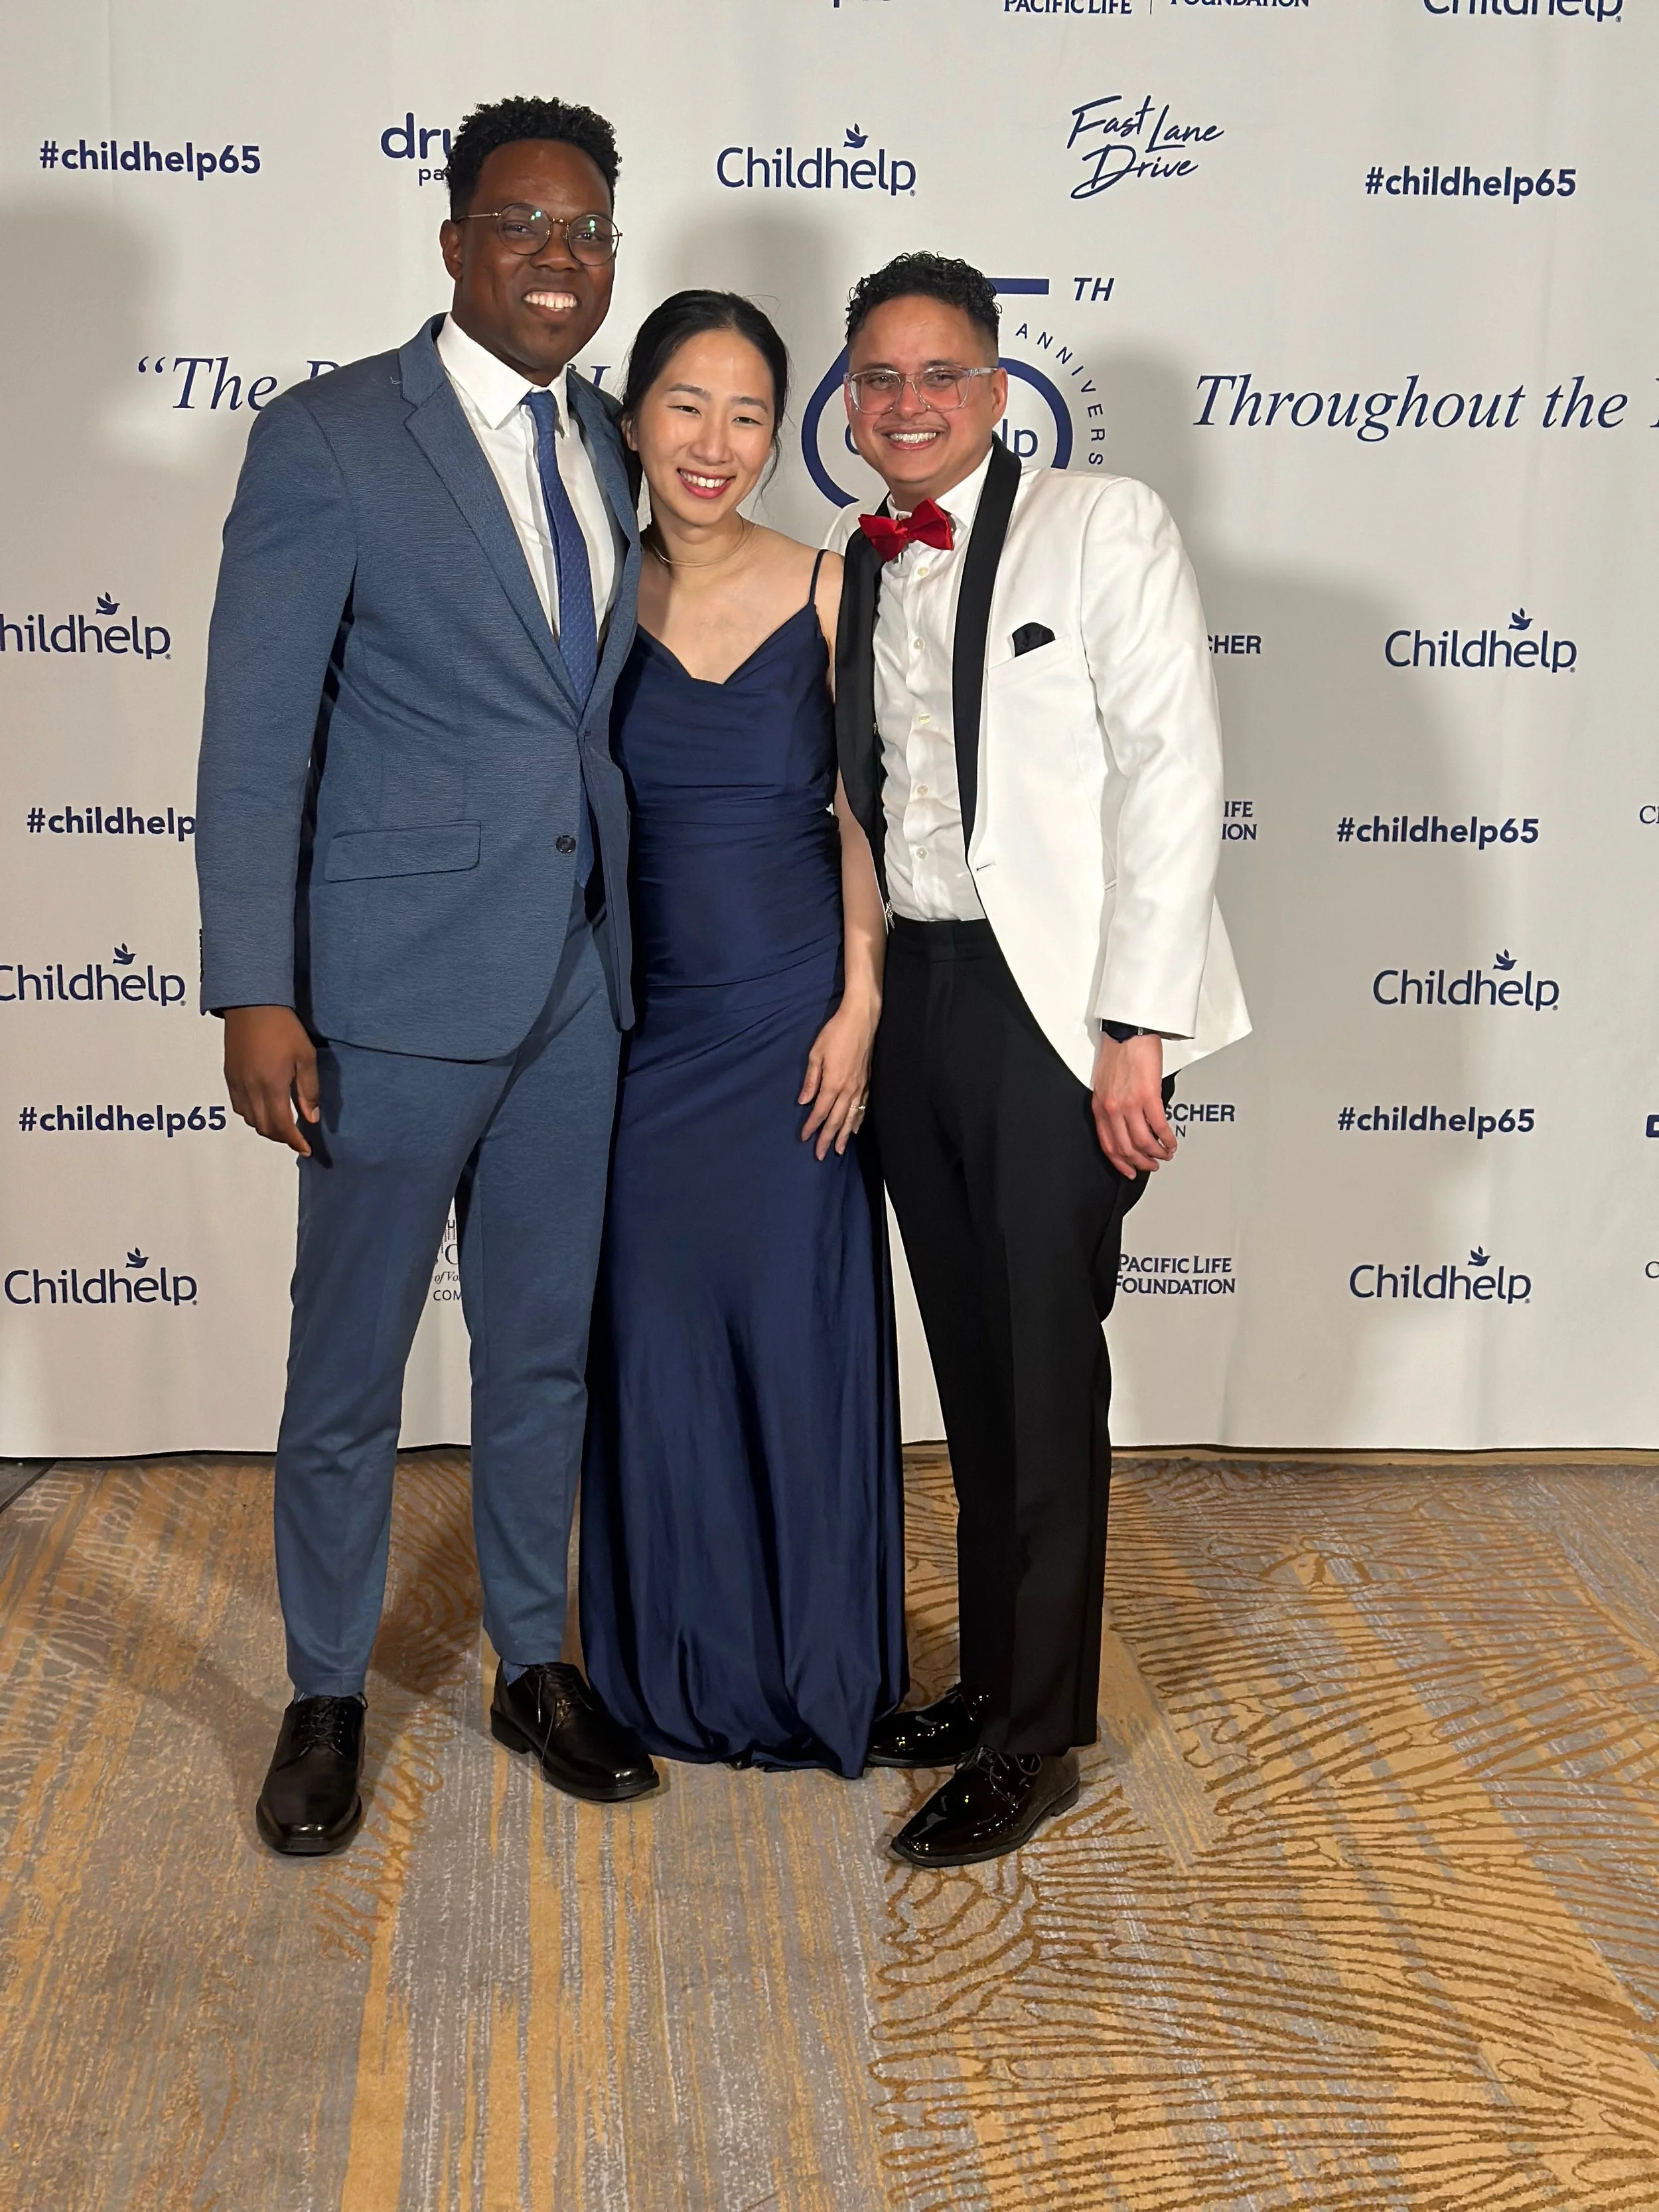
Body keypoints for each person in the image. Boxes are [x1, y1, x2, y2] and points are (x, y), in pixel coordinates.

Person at [196, 96, 660, 1858]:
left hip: (576, 989)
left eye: (590, 232)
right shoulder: (328, 441)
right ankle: (324, 1689)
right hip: (385, 988)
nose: (561, 259)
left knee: (543, 1354)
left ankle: (534, 1658)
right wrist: (258, 986)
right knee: (348, 1365)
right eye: (526, 226)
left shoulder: (618, 441)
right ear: (456, 240)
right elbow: (254, 746)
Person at [828, 253, 1250, 1867]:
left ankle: (1033, 1737)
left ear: (997, 393)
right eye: (879, 378)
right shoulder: (859, 565)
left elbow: (1169, 770)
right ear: (848, 405)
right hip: (919, 987)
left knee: (1043, 1366)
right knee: (973, 1357)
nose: (910, 403)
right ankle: (992, 1674)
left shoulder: (1104, 525)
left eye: (941, 375)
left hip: (1058, 1010)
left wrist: (1136, 1025)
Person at [577, 292, 906, 1776]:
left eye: (749, 413)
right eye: (688, 406)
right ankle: (670, 1666)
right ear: (631, 414)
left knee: (790, 1336)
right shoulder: (583, 589)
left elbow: (863, 820)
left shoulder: (836, 585)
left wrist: (859, 1003)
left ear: (785, 432)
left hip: (791, 1024)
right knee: (654, 1348)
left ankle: (810, 1666)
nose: (715, 443)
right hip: (639, 1038)